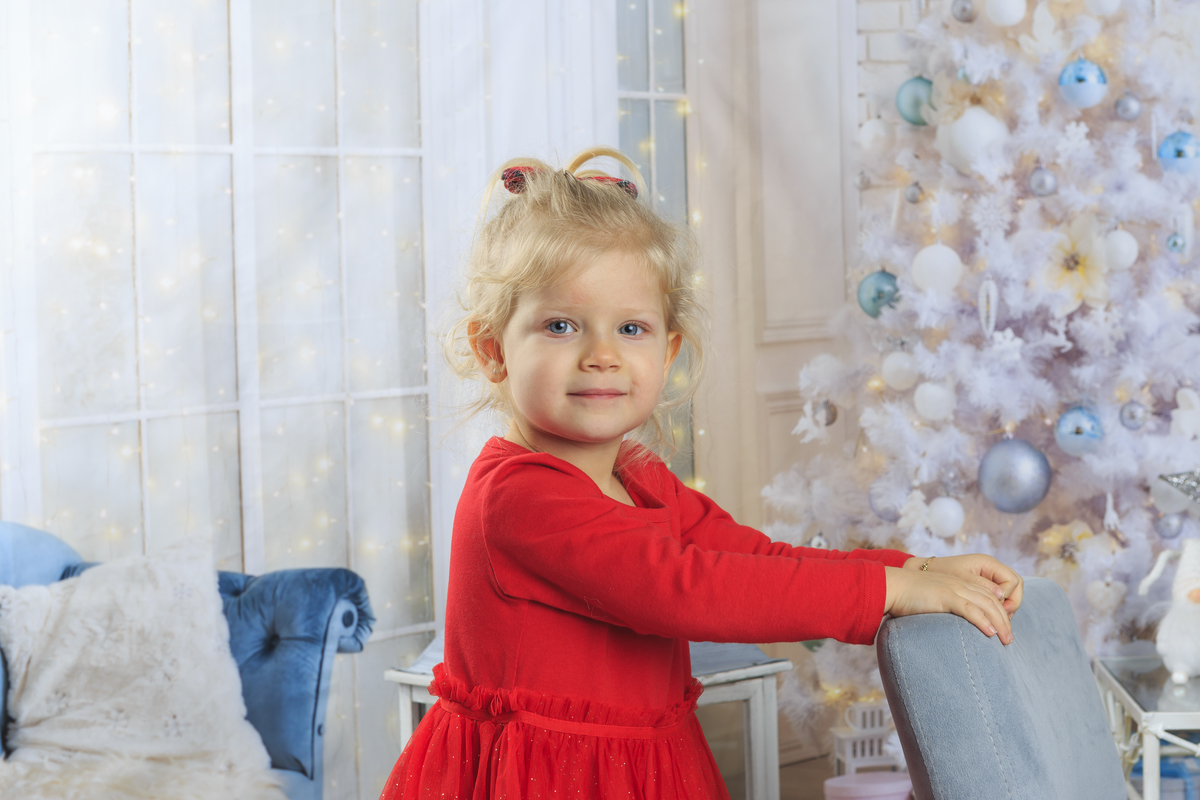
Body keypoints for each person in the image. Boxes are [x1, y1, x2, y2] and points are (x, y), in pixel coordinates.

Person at [380, 147, 1023, 800]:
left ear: (669, 349)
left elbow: (751, 557)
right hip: (542, 780)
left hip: (640, 767)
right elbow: (691, 589)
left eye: (631, 328)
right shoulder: (520, 498)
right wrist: (882, 593)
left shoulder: (638, 474)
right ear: (493, 350)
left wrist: (907, 570)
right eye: (561, 325)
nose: (602, 355)